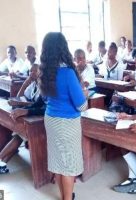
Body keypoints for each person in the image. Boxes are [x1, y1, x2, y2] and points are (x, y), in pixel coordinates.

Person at [39, 32, 88, 200]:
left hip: (51, 120)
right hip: (67, 124)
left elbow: (46, 98)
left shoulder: (45, 72)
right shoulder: (67, 73)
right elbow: (81, 106)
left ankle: (64, 196)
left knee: (60, 162)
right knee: (68, 165)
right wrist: (84, 93)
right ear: (63, 48)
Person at [0, 64, 43, 174]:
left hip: (39, 121)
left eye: (34, 71)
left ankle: (1, 161)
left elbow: (39, 105)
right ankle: (2, 163)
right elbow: (19, 95)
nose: (31, 73)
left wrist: (22, 106)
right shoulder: (33, 85)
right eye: (30, 71)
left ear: (40, 72)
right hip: (32, 117)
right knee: (18, 134)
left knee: (19, 136)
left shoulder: (43, 86)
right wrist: (26, 82)